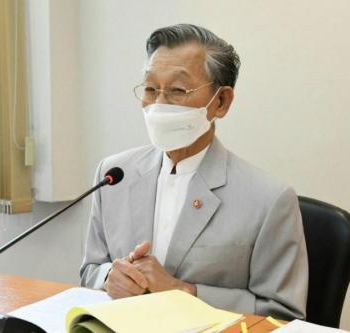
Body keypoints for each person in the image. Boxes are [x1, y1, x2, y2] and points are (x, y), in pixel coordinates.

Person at [80, 23, 308, 320]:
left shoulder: (269, 198)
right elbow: (89, 271)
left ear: (221, 102)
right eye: (150, 89)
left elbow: (282, 314)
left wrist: (183, 292)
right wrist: (109, 277)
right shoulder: (113, 174)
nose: (159, 105)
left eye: (177, 90)